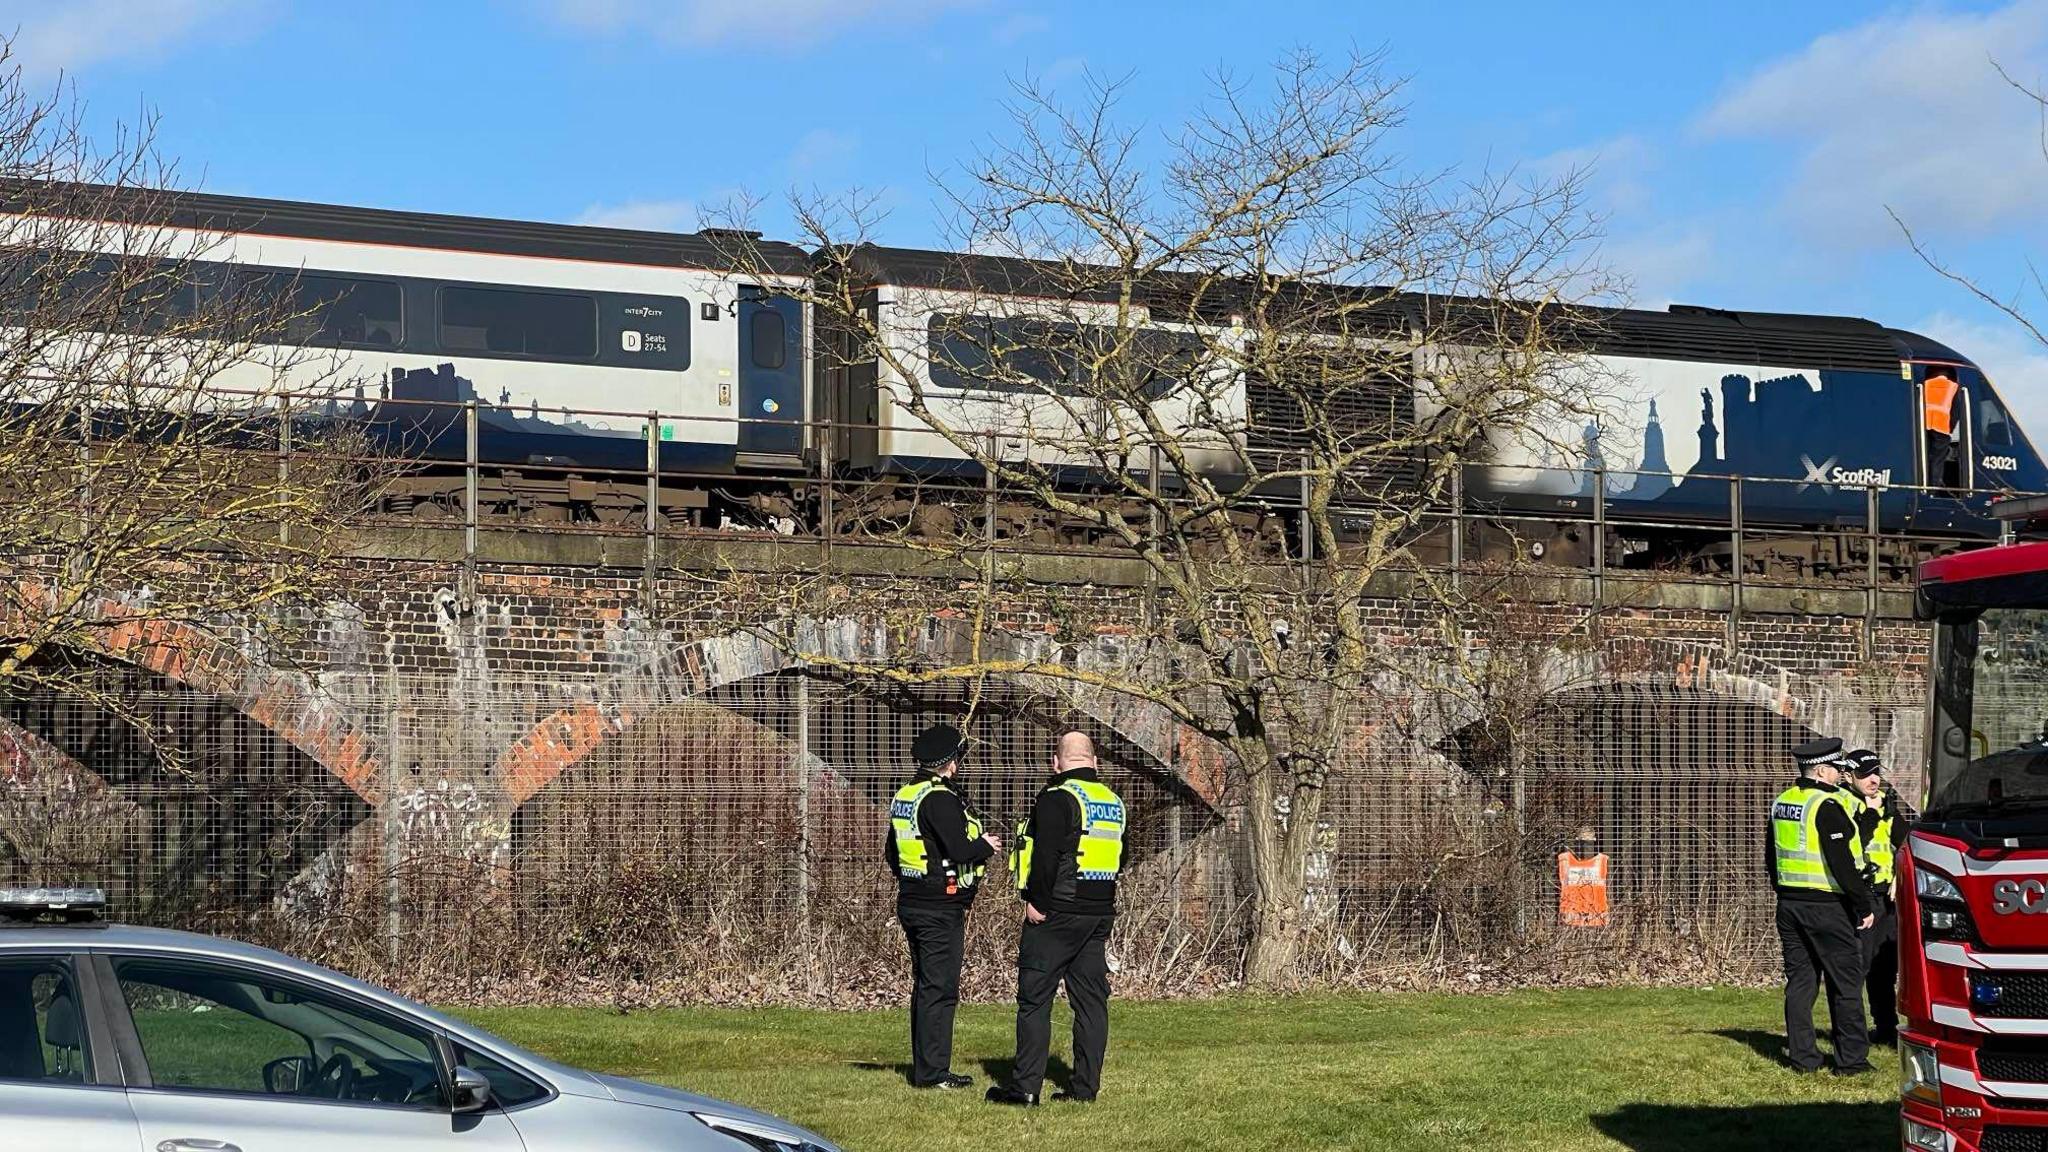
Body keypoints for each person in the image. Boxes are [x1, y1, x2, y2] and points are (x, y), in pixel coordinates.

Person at [986, 730, 1126, 1107]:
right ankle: (1085, 1088)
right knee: (1091, 1002)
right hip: (1098, 912)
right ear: (1095, 761)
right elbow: (1120, 857)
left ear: (1057, 762)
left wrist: (1036, 902)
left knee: (1035, 999)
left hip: (1058, 911)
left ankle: (1026, 1087)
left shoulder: (1056, 798)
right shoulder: (1112, 802)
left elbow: (1045, 859)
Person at [885, 723, 1000, 1090]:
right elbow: (960, 849)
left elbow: (893, 851)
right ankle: (933, 1073)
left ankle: (926, 1067)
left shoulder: (906, 794)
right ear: (950, 763)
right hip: (939, 905)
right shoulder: (940, 798)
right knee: (940, 988)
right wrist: (986, 845)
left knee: (925, 985)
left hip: (912, 898)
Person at [1769, 736, 1877, 1075]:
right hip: (1827, 906)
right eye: (1835, 769)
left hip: (1789, 904)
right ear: (1819, 770)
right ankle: (1852, 1061)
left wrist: (1784, 892)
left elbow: (1771, 857)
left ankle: (1803, 1058)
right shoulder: (1826, 806)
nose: (1839, 775)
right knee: (1845, 983)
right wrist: (1863, 905)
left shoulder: (1783, 801)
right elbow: (1842, 863)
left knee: (1801, 982)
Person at [1845, 748, 1915, 1047]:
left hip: (1887, 898)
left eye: (1876, 773)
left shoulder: (1887, 804)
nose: (1873, 780)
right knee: (1857, 967)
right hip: (1860, 896)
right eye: (1865, 775)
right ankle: (1851, 1034)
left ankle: (1886, 1028)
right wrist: (1871, 813)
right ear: (1849, 777)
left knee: (1885, 966)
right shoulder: (1843, 805)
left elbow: (1905, 841)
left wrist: (1900, 877)